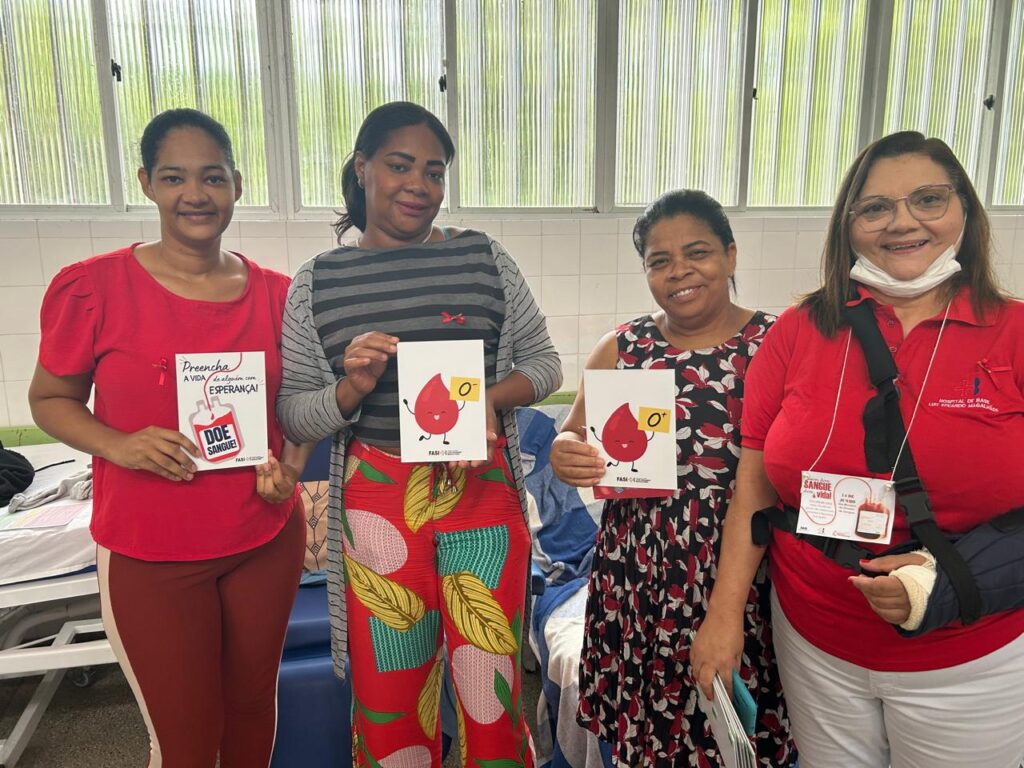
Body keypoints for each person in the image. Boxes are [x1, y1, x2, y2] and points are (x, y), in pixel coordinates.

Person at [691, 131, 1024, 768]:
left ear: (964, 209)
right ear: (848, 226)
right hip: (815, 644)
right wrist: (723, 615)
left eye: (928, 199)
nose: (902, 222)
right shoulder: (798, 331)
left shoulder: (1013, 332)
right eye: (875, 208)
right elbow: (754, 487)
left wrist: (944, 577)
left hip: (971, 659)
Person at [275, 101, 561, 766]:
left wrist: (488, 400)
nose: (419, 186)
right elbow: (295, 414)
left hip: (481, 493)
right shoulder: (319, 282)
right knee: (391, 697)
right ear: (362, 168)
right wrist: (350, 388)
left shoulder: (482, 257)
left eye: (434, 172)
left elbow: (544, 365)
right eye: (400, 166)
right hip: (377, 500)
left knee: (490, 696)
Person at [28, 108, 308, 767]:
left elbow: (297, 408)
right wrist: (118, 444)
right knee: (185, 740)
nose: (195, 194)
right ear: (147, 184)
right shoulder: (93, 289)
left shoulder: (279, 296)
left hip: (263, 539)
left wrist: (291, 467)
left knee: (252, 713)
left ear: (237, 184)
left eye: (212, 177)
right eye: (175, 177)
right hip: (151, 553)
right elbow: (49, 400)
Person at [548, 189, 796, 767]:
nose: (679, 271)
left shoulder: (776, 345)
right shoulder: (624, 348)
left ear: (731, 256)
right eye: (659, 261)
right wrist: (565, 452)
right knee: (648, 729)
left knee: (738, 730)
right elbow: (572, 432)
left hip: (743, 573)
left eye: (697, 252)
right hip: (639, 577)